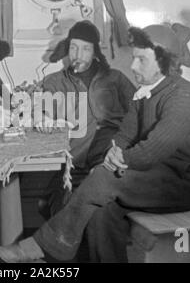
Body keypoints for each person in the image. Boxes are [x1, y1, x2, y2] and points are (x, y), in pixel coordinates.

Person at [0, 24, 190, 263]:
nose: (132, 66)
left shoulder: (183, 97)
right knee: (101, 211)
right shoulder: (146, 93)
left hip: (182, 185)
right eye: (134, 58)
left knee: (103, 178)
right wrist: (114, 152)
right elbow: (125, 134)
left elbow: (153, 150)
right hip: (153, 179)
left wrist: (118, 161)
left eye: (141, 59)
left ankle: (42, 245)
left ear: (163, 61)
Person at [33, 20, 135, 218]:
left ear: (95, 51)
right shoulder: (54, 82)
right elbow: (40, 112)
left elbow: (139, 110)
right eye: (73, 47)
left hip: (110, 155)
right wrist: (43, 119)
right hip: (73, 162)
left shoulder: (115, 78)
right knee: (60, 206)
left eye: (85, 49)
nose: (78, 55)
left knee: (105, 205)